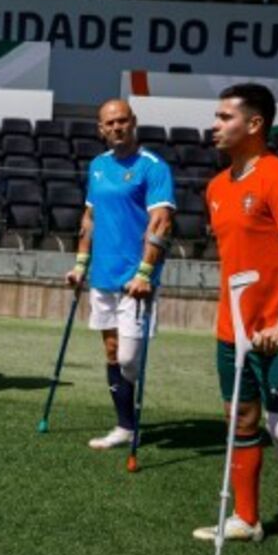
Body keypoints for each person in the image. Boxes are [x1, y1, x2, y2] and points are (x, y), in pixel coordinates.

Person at [193, 83, 278, 543]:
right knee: (240, 418)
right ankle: (246, 519)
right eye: (217, 116)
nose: (215, 125)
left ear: (254, 124)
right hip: (234, 328)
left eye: (225, 117)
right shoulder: (215, 187)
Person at [65, 100, 175, 450]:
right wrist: (80, 264)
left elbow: (162, 222)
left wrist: (145, 272)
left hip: (135, 279)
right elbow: (89, 219)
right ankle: (125, 426)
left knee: (128, 358)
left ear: (133, 122)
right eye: (109, 123)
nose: (116, 127)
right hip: (103, 275)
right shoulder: (97, 166)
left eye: (122, 121)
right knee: (112, 351)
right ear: (101, 129)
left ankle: (130, 411)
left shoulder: (153, 167)